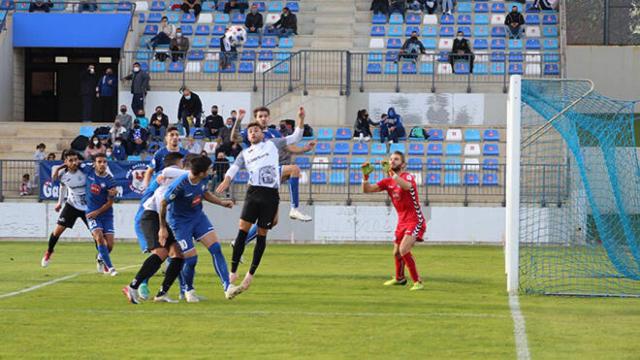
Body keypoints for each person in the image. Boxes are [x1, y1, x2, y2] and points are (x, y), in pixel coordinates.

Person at [216, 107, 306, 297]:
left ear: (261, 133)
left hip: (270, 194)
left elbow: (296, 137)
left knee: (262, 235)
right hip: (253, 193)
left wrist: (301, 118)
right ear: (247, 136)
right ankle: (233, 271)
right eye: (250, 131)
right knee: (242, 231)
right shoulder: (245, 153)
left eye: (256, 130)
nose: (253, 132)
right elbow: (234, 168)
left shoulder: (273, 143)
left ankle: (250, 275)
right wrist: (226, 180)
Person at [159, 156, 240, 301]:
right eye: (209, 169)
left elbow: (204, 193)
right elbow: (164, 203)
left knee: (216, 248)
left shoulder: (202, 180)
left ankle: (228, 287)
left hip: (198, 218)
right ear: (201, 172)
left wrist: (222, 203)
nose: (211, 170)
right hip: (180, 223)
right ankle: (188, 290)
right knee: (191, 260)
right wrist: (162, 227)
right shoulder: (179, 185)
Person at [122, 152, 189, 304]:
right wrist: (162, 228)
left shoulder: (174, 180)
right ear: (177, 164)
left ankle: (162, 293)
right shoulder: (168, 177)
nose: (183, 166)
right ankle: (132, 286)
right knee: (161, 252)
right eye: (182, 163)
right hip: (152, 217)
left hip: (161, 218)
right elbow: (168, 173)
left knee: (178, 254)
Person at [232, 106, 312, 222]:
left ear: (269, 118)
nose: (263, 119)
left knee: (272, 221)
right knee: (294, 169)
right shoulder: (250, 132)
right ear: (256, 118)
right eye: (260, 116)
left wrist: (305, 148)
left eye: (265, 116)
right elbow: (235, 138)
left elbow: (289, 146)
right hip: (259, 175)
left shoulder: (274, 133)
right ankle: (294, 208)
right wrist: (238, 121)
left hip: (270, 175)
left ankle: (240, 241)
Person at [361, 151, 425, 291]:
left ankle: (418, 281)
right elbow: (367, 190)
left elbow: (406, 186)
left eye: (396, 159)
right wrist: (365, 177)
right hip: (402, 221)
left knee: (403, 249)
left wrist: (391, 173)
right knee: (396, 252)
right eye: (391, 159)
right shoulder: (388, 181)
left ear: (403, 164)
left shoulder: (407, 176)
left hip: (415, 219)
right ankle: (400, 278)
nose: (392, 161)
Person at [41, 151, 93, 267]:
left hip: (88, 207)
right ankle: (49, 251)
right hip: (72, 205)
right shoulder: (63, 174)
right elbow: (62, 186)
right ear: (66, 162)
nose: (74, 162)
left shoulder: (84, 170)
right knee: (57, 231)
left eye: (76, 159)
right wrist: (59, 203)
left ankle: (101, 258)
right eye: (71, 160)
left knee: (97, 234)